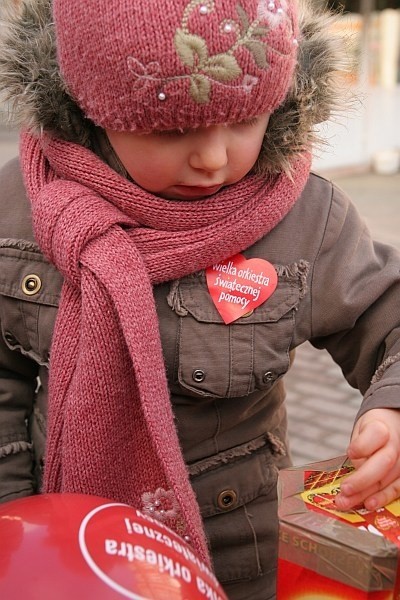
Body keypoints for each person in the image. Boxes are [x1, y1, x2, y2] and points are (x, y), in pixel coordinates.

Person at [0, 0, 399, 598]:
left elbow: (388, 316)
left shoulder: (304, 217)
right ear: (90, 110)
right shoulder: (26, 207)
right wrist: (12, 521)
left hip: (238, 559)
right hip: (59, 550)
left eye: (246, 120)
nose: (213, 159)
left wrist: (393, 408)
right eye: (169, 130)